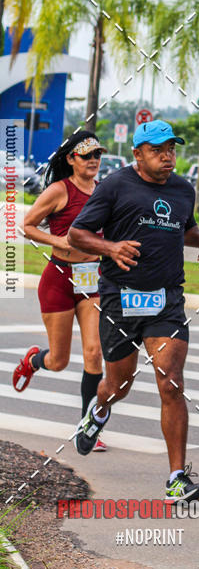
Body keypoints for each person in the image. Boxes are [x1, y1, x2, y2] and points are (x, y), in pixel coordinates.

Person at [67, 120, 199, 502]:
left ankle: (176, 479)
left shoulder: (183, 190)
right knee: (119, 384)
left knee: (171, 382)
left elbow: (182, 227)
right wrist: (111, 248)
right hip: (121, 298)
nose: (167, 156)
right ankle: (98, 410)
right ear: (138, 153)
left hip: (166, 300)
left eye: (171, 148)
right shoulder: (116, 185)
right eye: (157, 150)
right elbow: (77, 233)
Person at [12, 131, 108, 451]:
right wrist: (59, 241)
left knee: (95, 352)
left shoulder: (104, 191)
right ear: (71, 159)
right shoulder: (58, 190)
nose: (94, 160)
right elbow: (26, 225)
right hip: (58, 281)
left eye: (97, 155)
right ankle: (36, 360)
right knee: (60, 361)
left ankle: (88, 427)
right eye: (87, 155)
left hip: (91, 282)